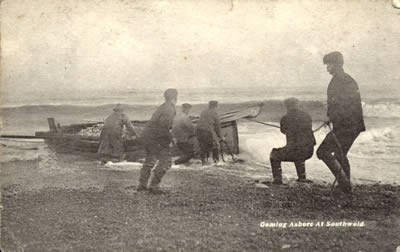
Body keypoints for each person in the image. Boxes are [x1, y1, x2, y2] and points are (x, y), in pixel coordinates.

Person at [316, 51, 365, 193]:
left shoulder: (341, 80)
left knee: (322, 151)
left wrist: (331, 117)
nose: (327, 68)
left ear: (336, 64)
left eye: (328, 65)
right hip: (350, 125)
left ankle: (345, 185)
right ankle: (345, 185)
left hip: (346, 126)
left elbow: (345, 105)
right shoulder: (345, 79)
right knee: (339, 154)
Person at [137, 89, 178, 194]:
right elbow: (163, 127)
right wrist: (171, 138)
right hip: (156, 138)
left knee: (150, 161)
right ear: (175, 97)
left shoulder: (162, 107)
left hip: (148, 137)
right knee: (166, 161)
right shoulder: (170, 109)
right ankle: (154, 186)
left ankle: (142, 185)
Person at [269, 98, 316, 184]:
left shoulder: (285, 118)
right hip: (309, 151)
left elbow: (283, 131)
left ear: (287, 107)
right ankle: (302, 177)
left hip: (295, 151)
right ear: (298, 105)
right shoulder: (307, 116)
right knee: (298, 149)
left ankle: (277, 179)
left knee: (274, 154)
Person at [196, 100, 223, 165]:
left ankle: (204, 163)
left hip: (198, 131)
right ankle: (216, 162)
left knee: (203, 147)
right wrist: (221, 137)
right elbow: (217, 127)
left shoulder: (203, 111)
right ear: (215, 106)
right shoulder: (215, 113)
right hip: (207, 131)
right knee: (216, 146)